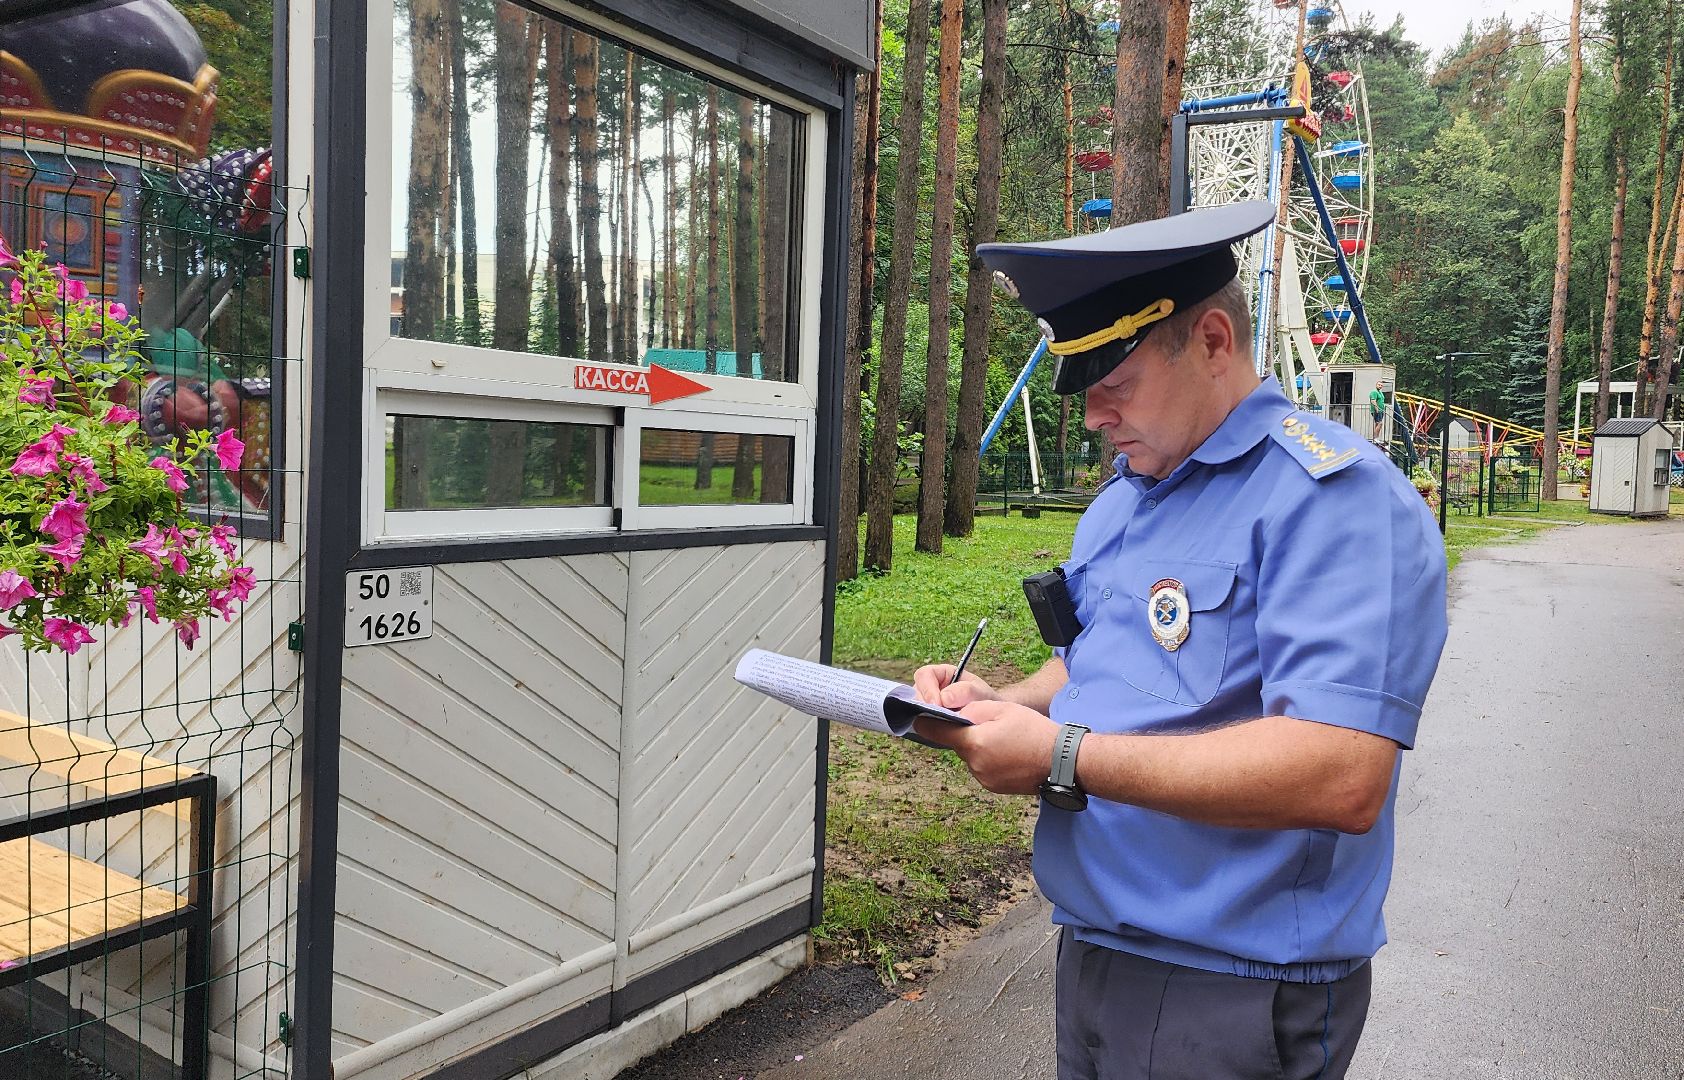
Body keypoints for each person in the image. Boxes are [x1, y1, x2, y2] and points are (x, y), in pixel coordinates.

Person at [911, 201, 1448, 1080]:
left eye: (1113, 388)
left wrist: (1062, 757)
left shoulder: (1335, 502)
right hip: (1096, 949)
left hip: (1230, 985)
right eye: (1083, 393)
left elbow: (1343, 769)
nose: (1093, 418)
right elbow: (1096, 665)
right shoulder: (1130, 494)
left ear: (1210, 342)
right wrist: (1001, 706)